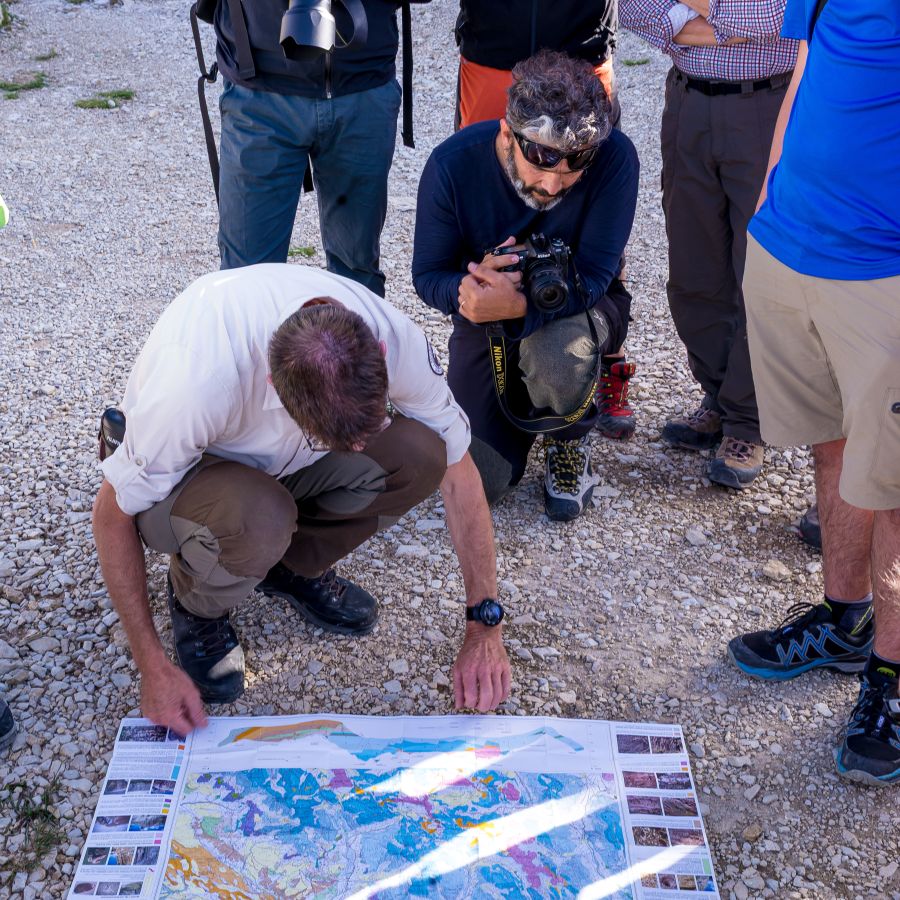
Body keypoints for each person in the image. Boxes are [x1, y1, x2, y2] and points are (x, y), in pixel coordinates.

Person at [92, 265, 512, 736]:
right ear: (274, 383)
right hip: (194, 479)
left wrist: (484, 622)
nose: (359, 447)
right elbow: (111, 516)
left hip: (276, 463)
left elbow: (459, 474)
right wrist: (151, 664)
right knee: (260, 516)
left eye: (369, 425)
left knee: (421, 453)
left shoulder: (394, 336)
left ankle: (287, 567)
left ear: (379, 351)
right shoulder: (196, 384)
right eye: (330, 436)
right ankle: (197, 602)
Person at [728, 0, 900, 786]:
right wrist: (770, 196)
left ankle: (891, 679)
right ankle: (843, 619)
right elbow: (804, 70)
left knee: (894, 488)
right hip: (789, 245)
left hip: (883, 271)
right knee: (833, 444)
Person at [412, 50, 639, 522]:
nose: (553, 185)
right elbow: (428, 274)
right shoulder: (453, 165)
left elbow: (597, 275)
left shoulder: (615, 157)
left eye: (575, 164)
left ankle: (568, 439)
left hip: (581, 305)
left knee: (558, 354)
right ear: (506, 133)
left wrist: (518, 306)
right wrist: (467, 293)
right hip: (486, 319)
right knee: (482, 481)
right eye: (540, 159)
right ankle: (528, 412)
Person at [620, 0, 796, 489]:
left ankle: (748, 422)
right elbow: (632, 10)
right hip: (688, 105)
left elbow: (773, 17)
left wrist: (689, 15)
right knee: (693, 267)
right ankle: (719, 396)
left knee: (757, 272)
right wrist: (728, 25)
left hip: (765, 105)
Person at [453, 1, 639, 443]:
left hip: (582, 58)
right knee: (486, 210)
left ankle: (603, 360)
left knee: (596, 216)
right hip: (492, 58)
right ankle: (498, 348)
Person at [212, 0, 405, 295]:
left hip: (362, 84)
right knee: (247, 279)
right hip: (260, 87)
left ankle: (353, 325)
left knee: (357, 273)